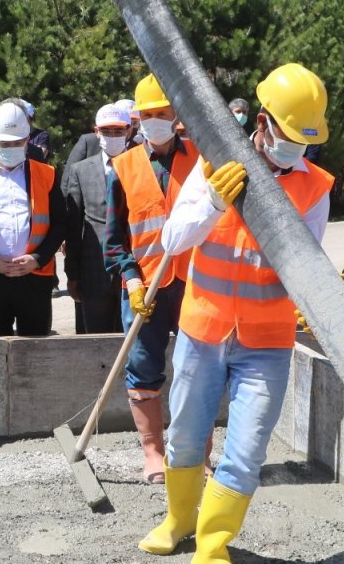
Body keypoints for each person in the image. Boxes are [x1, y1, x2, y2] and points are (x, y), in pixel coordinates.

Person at [141, 63, 335, 560]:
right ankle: (180, 519)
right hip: (202, 330)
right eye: (289, 135)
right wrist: (210, 199)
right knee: (184, 436)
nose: (295, 149)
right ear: (263, 120)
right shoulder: (213, 164)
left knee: (246, 451)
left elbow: (303, 263)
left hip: (265, 343)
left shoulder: (315, 187)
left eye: (304, 141)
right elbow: (172, 240)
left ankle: (213, 543)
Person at [105, 74, 200, 484]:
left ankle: (197, 453)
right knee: (144, 367)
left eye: (162, 113)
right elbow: (113, 241)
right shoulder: (122, 168)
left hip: (197, 283)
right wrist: (132, 281)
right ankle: (153, 453)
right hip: (146, 288)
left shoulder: (200, 159)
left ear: (175, 115)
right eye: (148, 114)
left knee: (200, 368)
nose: (155, 120)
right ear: (137, 118)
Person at [0, 102, 65, 337]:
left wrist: (37, 259)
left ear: (28, 140)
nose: (12, 148)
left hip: (34, 278)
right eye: (5, 143)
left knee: (36, 353)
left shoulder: (46, 175)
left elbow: (60, 224)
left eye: (18, 142)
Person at [64, 104, 131, 334]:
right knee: (96, 341)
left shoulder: (143, 166)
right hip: (93, 272)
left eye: (118, 131)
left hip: (133, 271)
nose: (112, 136)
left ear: (129, 131)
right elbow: (73, 229)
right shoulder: (81, 170)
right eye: (107, 131)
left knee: (132, 340)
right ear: (96, 131)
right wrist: (72, 274)